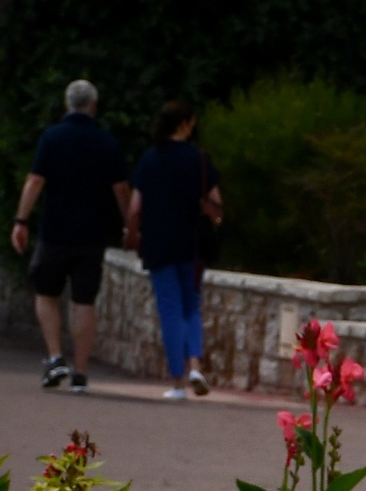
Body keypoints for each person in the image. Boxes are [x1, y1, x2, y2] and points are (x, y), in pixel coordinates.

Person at [11, 79, 129, 392]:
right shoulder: (106, 143)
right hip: (92, 235)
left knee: (46, 293)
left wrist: (21, 220)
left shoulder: (52, 138)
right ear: (93, 105)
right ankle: (80, 371)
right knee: (84, 301)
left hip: (55, 232)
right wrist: (130, 224)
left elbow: (35, 181)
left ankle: (55, 355)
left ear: (67, 104)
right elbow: (120, 188)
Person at [124, 98, 220, 399]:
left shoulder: (150, 159)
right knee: (192, 307)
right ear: (184, 124)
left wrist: (132, 233)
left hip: (159, 243)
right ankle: (195, 364)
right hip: (192, 244)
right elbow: (218, 207)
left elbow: (135, 206)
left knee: (169, 310)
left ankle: (178, 382)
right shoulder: (200, 160)